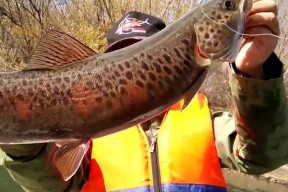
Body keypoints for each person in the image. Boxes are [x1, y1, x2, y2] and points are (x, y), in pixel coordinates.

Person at [0, 1, 287, 192]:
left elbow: (262, 157)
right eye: (121, 56)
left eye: (143, 49)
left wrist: (255, 72)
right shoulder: (88, 149)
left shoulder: (207, 123)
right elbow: (44, 180)